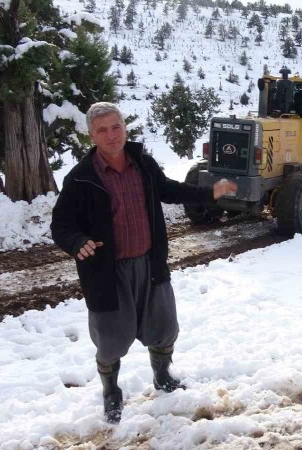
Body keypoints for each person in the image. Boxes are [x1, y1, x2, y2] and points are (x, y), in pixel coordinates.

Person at [51, 102, 237, 424]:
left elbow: (169, 190)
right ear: (91, 136)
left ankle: (162, 376)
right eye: (102, 130)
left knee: (164, 327)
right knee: (110, 340)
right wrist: (77, 242)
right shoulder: (80, 178)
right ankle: (111, 391)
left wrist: (210, 194)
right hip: (107, 274)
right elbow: (61, 225)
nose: (111, 135)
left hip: (150, 264)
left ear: (124, 127)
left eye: (116, 126)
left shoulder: (142, 163)